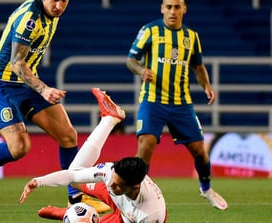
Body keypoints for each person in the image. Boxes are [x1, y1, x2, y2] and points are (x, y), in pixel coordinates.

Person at [0, 0, 109, 212]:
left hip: (25, 84)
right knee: (20, 147)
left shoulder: (44, 2)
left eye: (64, 0)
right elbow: (17, 64)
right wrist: (44, 89)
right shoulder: (30, 21)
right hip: (1, 85)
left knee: (68, 136)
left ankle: (76, 197)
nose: (59, 6)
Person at [125, 0, 228, 210]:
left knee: (200, 151)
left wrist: (207, 86)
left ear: (184, 9)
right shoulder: (150, 30)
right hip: (152, 100)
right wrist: (141, 70)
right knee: (146, 145)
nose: (173, 11)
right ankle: (132, 194)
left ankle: (206, 188)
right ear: (162, 8)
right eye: (169, 7)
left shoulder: (192, 37)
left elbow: (198, 67)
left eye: (177, 7)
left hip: (181, 103)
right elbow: (131, 60)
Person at [20, 88, 168, 223]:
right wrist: (38, 181)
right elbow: (72, 175)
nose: (110, 185)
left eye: (117, 185)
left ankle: (68, 213)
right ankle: (109, 119)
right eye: (112, 180)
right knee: (76, 176)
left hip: (128, 219)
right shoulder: (111, 174)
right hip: (122, 204)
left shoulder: (151, 215)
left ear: (135, 187)